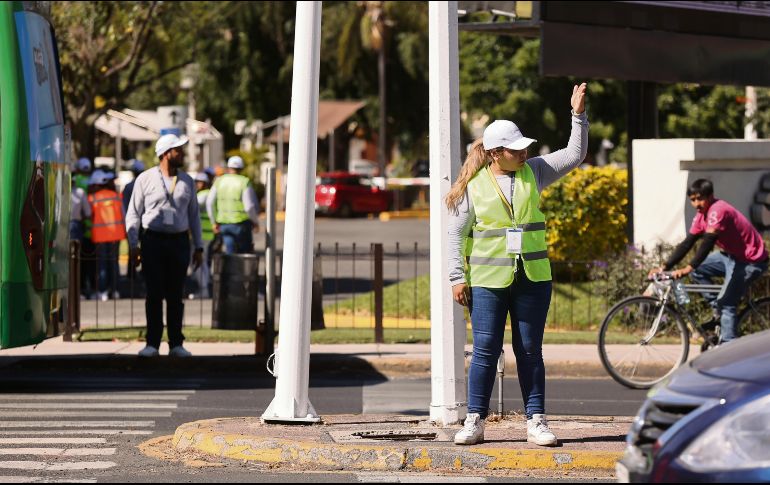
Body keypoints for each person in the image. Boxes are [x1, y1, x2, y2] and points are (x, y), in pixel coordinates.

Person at [446, 83, 589, 446]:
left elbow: (574, 154)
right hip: (488, 281)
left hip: (533, 278)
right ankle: (475, 420)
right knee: (485, 350)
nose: (524, 153)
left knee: (529, 351)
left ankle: (536, 421)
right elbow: (455, 234)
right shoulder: (473, 186)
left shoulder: (535, 171)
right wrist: (456, 277)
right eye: (516, 149)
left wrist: (578, 115)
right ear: (496, 153)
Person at [648, 179, 768, 344]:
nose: (697, 203)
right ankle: (717, 312)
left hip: (751, 261)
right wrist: (664, 267)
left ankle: (727, 351)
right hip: (731, 256)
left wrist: (688, 268)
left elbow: (708, 242)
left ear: (711, 196)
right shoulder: (700, 216)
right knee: (699, 270)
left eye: (700, 198)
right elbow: (687, 243)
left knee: (727, 302)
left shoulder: (717, 210)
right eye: (692, 199)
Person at [125, 134, 204, 358]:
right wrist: (133, 245)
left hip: (179, 242)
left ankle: (176, 343)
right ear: (166, 153)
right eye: (178, 150)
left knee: (175, 295)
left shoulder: (187, 181)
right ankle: (152, 343)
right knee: (154, 294)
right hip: (153, 241)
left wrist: (198, 247)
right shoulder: (145, 179)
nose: (182, 153)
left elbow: (194, 217)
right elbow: (133, 214)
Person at [206, 155, 260, 254]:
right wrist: (255, 221)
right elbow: (249, 207)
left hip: (224, 224)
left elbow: (209, 203)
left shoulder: (219, 181)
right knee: (244, 255)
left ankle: (230, 270)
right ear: (241, 168)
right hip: (241, 225)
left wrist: (214, 222)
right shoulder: (244, 182)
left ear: (228, 167)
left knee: (229, 253)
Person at [88, 170, 126, 301]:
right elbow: (124, 215)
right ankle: (115, 291)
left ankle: (102, 291)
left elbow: (88, 215)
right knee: (114, 264)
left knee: (102, 265)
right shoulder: (116, 197)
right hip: (116, 235)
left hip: (100, 237)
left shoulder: (93, 198)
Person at [190, 172, 214, 298]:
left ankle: (203, 289)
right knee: (202, 262)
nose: (196, 184)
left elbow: (190, 206)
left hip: (202, 235)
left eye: (198, 182)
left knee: (197, 262)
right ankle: (204, 287)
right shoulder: (206, 194)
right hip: (205, 234)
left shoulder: (203, 196)